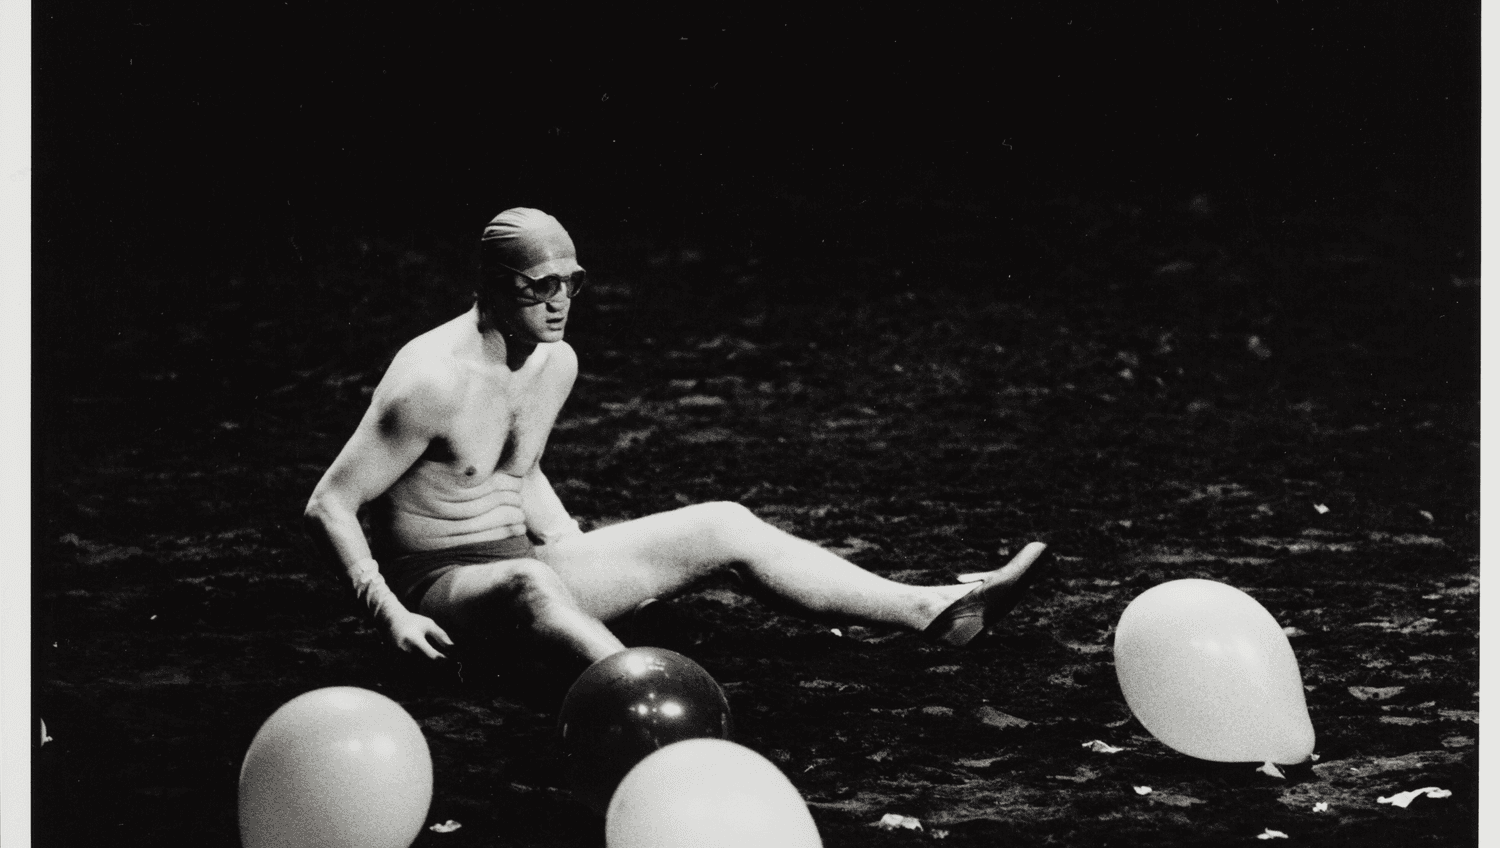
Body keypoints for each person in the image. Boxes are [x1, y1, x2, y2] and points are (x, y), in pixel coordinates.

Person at [304, 207, 1050, 670]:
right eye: (540, 286)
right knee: (531, 583)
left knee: (722, 521)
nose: (560, 302)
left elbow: (515, 471)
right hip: (441, 591)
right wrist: (390, 614)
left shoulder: (553, 362)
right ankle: (640, 704)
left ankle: (930, 610)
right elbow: (330, 504)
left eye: (571, 281)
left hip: (523, 566)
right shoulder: (430, 379)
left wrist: (578, 554)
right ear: (492, 288)